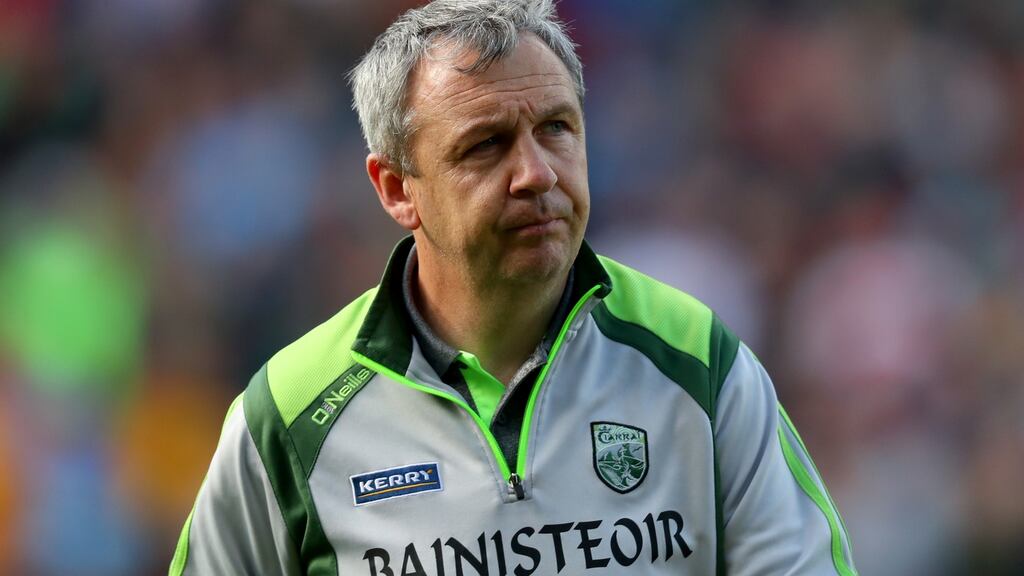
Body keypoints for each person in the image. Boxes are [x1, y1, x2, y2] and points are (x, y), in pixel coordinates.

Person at [170, 1, 857, 574]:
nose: (536, 173)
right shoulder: (292, 414)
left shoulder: (695, 362)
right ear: (396, 189)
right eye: (486, 144)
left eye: (556, 128)